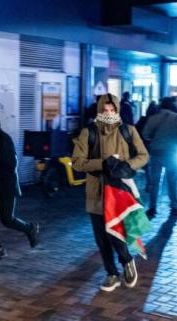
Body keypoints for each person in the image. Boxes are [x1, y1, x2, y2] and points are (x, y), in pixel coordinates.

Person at [72, 94, 149, 292]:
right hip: (96, 191)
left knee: (117, 233)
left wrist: (126, 165)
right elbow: (78, 162)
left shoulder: (128, 131)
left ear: (117, 110)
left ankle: (127, 261)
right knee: (101, 236)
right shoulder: (88, 133)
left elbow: (143, 155)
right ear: (99, 110)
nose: (108, 113)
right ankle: (111, 273)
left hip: (120, 191)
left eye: (112, 110)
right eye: (105, 110)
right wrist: (102, 164)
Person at [0, 110, 40, 261]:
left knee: (7, 220)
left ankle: (29, 228)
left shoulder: (3, 140)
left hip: (5, 188)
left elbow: (10, 165)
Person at [142, 96, 177, 218]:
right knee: (173, 181)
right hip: (172, 152)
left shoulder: (153, 117)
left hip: (156, 152)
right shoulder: (176, 117)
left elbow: (145, 134)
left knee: (154, 182)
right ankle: (175, 207)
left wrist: (154, 139)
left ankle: (152, 208)